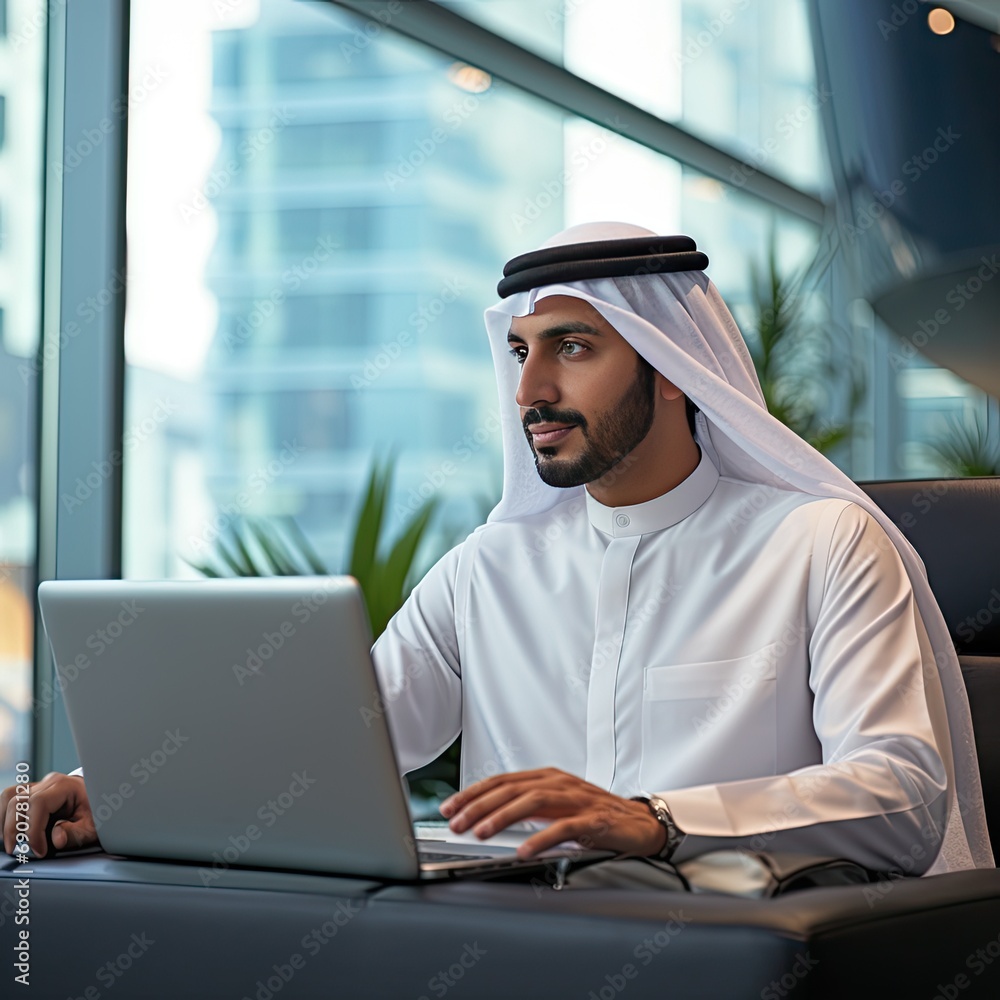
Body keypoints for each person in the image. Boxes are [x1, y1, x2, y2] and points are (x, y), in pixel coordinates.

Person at [2, 221, 993, 876]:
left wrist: (655, 816)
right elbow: (333, 737)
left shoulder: (821, 542)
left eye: (571, 346)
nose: (528, 393)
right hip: (513, 945)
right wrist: (113, 789)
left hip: (723, 945)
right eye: (520, 353)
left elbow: (899, 792)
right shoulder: (490, 568)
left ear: (675, 366)